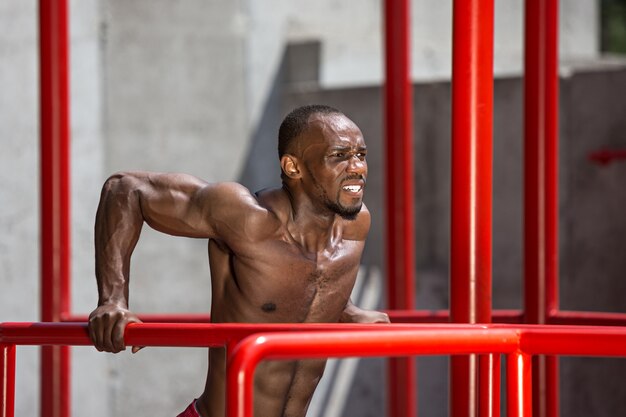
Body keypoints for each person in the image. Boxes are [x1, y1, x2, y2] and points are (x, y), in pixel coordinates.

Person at [87, 104, 390, 417]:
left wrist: (346, 311)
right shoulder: (249, 220)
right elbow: (125, 189)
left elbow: (315, 274)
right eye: (339, 155)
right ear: (293, 167)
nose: (357, 167)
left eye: (361, 155)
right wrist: (113, 300)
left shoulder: (355, 225)